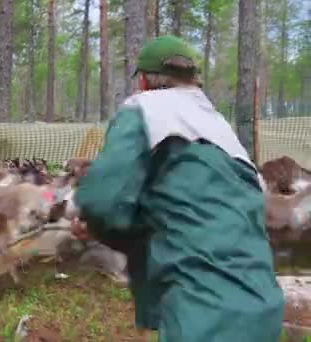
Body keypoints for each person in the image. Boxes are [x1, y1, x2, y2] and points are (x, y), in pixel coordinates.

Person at [71, 35, 284, 342]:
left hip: (202, 313)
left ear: (143, 80)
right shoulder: (221, 129)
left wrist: (97, 226)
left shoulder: (144, 108)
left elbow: (102, 202)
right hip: (264, 309)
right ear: (194, 81)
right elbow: (196, 219)